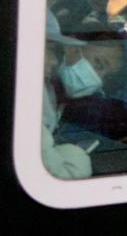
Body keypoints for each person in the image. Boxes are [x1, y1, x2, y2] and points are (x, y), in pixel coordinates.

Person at [41, 11, 92, 179]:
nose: (54, 61)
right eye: (49, 50)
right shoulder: (26, 101)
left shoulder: (50, 89)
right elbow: (65, 174)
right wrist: (76, 156)